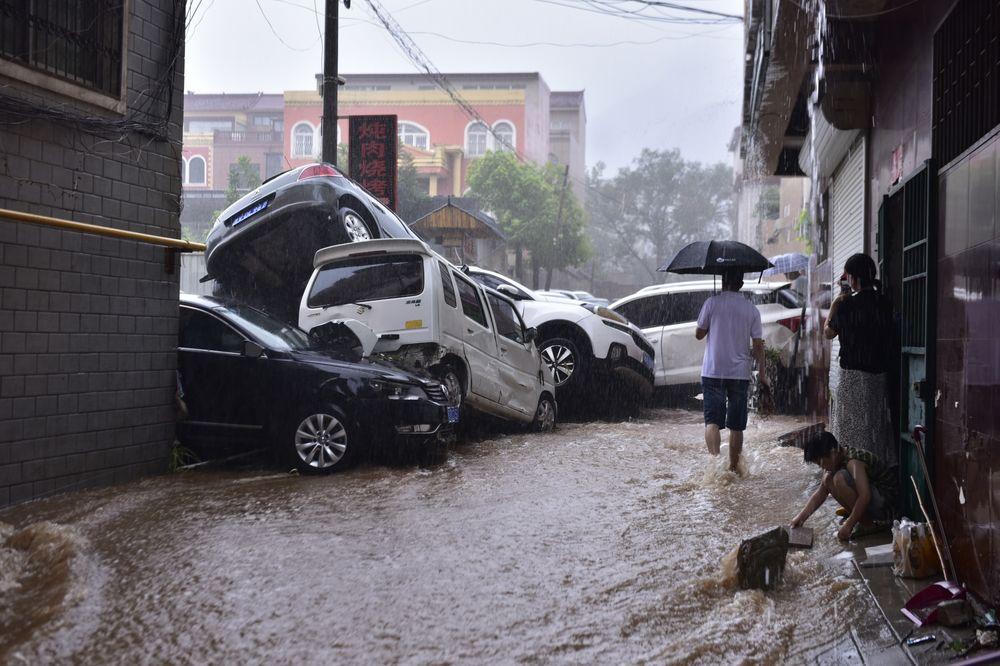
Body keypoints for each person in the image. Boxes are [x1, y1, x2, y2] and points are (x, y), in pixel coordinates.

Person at [695, 269, 770, 473]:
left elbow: (698, 334)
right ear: (741, 284)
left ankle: (715, 466)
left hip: (713, 371)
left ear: (722, 281)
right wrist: (763, 374)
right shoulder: (751, 309)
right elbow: (757, 346)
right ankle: (734, 469)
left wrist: (712, 322)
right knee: (736, 425)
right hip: (739, 373)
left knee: (712, 421)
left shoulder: (711, 303)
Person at [825, 253, 896, 464]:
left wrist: (837, 301)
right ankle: (876, 471)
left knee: (849, 433)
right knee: (873, 428)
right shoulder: (884, 303)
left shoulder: (846, 305)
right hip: (878, 378)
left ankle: (853, 473)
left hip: (851, 378)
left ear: (853, 279)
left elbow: (828, 332)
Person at [791, 431, 897, 540]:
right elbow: (820, 493)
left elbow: (865, 496)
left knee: (839, 478)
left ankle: (869, 525)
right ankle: (862, 520)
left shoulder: (853, 462)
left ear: (833, 452)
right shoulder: (836, 461)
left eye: (821, 463)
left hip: (887, 507)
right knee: (827, 479)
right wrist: (800, 518)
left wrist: (848, 525)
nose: (822, 467)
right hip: (876, 501)